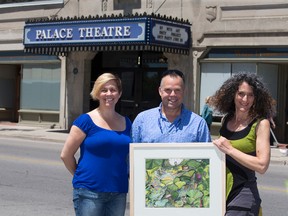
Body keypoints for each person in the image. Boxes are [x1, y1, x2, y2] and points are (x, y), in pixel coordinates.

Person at [60, 73, 131, 216]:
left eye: (113, 90)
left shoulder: (127, 122)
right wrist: (81, 177)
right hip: (89, 192)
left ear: (119, 94)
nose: (108, 94)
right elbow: (65, 155)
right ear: (97, 93)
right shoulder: (85, 121)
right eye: (104, 90)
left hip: (118, 192)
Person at [210, 73, 274, 216]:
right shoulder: (226, 119)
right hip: (222, 191)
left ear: (256, 97)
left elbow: (262, 165)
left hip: (244, 193)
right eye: (241, 94)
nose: (245, 99)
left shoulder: (261, 123)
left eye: (250, 95)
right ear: (233, 94)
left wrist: (230, 150)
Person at [132, 69, 211, 143]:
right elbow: (132, 153)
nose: (173, 94)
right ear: (160, 91)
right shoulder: (142, 120)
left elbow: (208, 155)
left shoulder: (198, 123)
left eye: (177, 90)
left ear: (184, 91)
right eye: (168, 90)